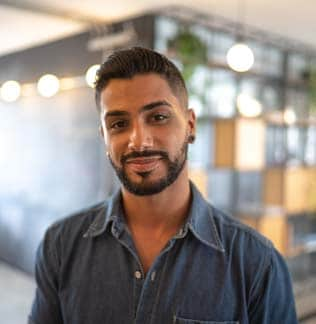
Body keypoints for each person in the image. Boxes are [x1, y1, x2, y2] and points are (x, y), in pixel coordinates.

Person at [29, 47, 297, 324]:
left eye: (158, 117)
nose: (139, 141)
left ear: (190, 125)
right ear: (104, 136)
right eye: (119, 123)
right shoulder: (60, 246)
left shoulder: (255, 262)